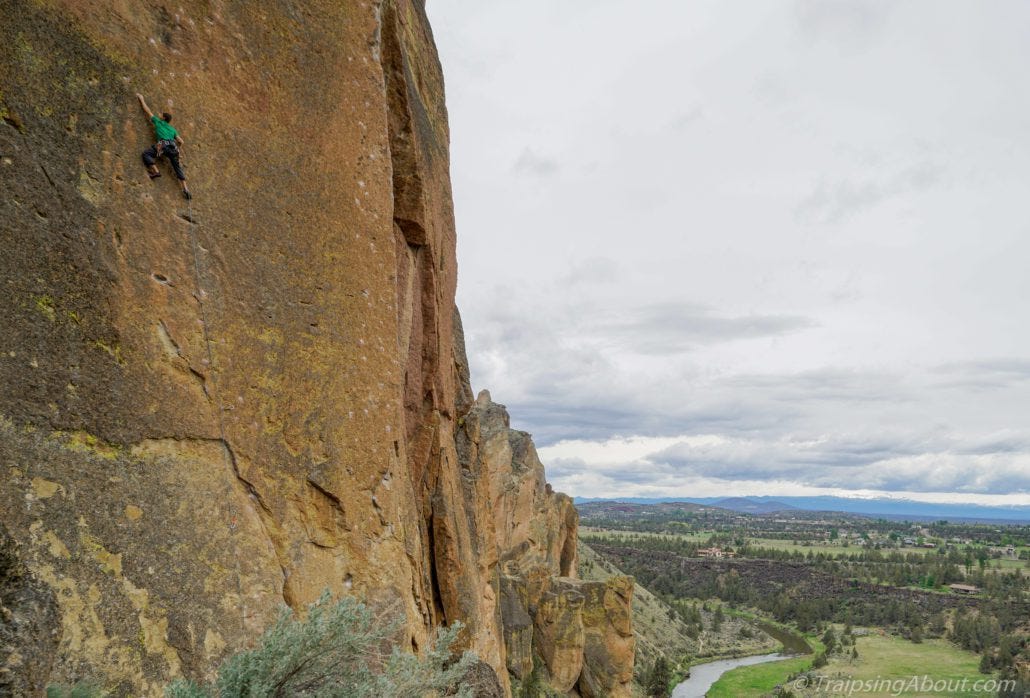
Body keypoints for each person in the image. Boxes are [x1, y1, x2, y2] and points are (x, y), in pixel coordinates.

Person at [137, 93, 191, 199]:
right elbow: (181, 141)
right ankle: (186, 189)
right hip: (173, 148)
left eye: (161, 115)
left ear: (163, 118)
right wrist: (179, 152)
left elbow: (147, 110)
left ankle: (156, 171)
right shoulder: (172, 129)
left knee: (146, 154)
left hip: (162, 145)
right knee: (177, 168)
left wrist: (142, 99)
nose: (159, 115)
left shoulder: (158, 122)